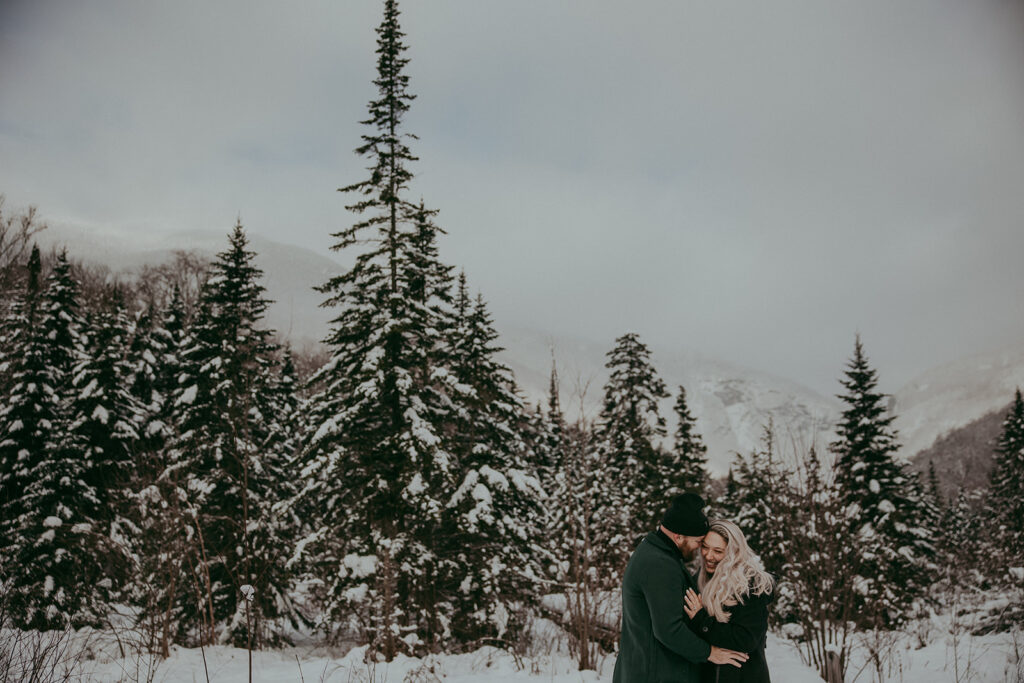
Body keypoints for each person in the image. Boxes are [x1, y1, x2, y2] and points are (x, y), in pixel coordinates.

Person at [613, 494, 749, 683]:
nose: (699, 549)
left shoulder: (654, 551)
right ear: (679, 536)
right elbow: (669, 629)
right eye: (698, 542)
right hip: (656, 674)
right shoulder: (659, 564)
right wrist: (710, 653)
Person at [683, 519, 774, 683]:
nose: (708, 556)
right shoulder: (701, 579)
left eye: (718, 551)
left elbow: (746, 639)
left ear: (734, 552)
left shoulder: (751, 586)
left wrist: (701, 619)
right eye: (705, 547)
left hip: (743, 677)